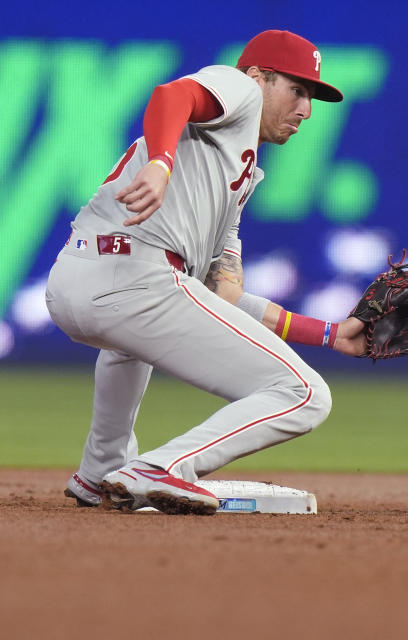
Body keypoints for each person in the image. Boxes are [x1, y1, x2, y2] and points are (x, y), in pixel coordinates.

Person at [46, 29, 369, 515]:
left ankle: (100, 471)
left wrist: (328, 334)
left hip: (80, 280)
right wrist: (160, 162)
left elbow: (224, 296)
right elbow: (171, 95)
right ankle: (162, 467)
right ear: (260, 77)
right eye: (297, 90)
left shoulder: (236, 175)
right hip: (135, 273)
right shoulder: (239, 88)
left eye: (312, 96)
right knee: (304, 395)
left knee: (133, 344)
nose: (306, 109)